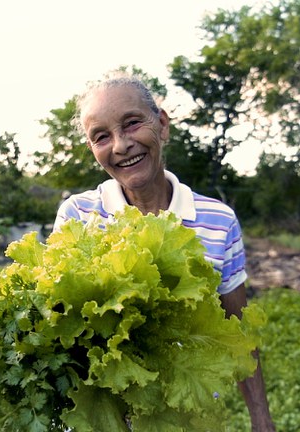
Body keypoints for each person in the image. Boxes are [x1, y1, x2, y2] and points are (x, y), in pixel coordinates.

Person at [53, 71, 275, 431]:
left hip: (187, 417)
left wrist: (262, 420)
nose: (121, 145)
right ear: (93, 150)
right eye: (102, 137)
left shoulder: (218, 220)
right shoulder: (78, 215)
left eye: (132, 123)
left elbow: (238, 332)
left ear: (162, 124)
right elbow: (60, 328)